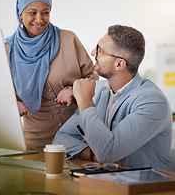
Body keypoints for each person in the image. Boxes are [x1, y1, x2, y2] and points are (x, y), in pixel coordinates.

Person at [53, 24, 173, 171]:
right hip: (109, 181)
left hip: (147, 188)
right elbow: (61, 139)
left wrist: (84, 100)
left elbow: (107, 153)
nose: (92, 53)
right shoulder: (97, 90)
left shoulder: (152, 101)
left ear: (119, 64)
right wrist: (91, 155)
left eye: (99, 51)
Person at [5, 0, 98, 151]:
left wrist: (73, 89)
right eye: (32, 13)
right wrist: (13, 103)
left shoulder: (68, 39)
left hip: (78, 134)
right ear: (20, 14)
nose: (39, 19)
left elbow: (93, 78)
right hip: (36, 138)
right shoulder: (7, 49)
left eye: (45, 12)